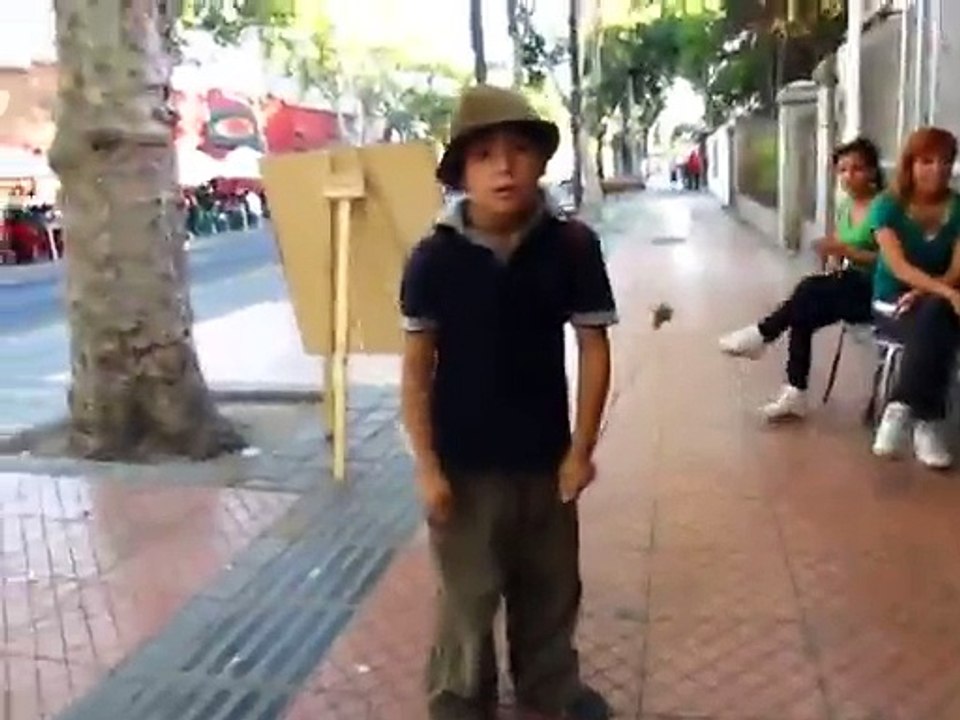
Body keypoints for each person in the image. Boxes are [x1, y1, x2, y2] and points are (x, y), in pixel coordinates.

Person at [399, 84, 617, 720]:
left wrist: (581, 451)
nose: (504, 166)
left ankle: (550, 686)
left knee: (549, 587)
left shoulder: (572, 246)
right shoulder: (432, 259)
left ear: (541, 163)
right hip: (463, 465)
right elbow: (416, 372)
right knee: (468, 595)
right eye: (485, 153)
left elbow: (594, 349)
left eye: (519, 150)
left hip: (545, 458)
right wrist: (427, 467)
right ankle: (461, 697)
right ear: (462, 171)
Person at [718, 137, 885, 420]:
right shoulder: (846, 207)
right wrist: (833, 257)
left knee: (807, 290)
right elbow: (840, 247)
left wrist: (845, 251)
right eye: (842, 170)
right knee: (802, 313)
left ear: (872, 172)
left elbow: (890, 260)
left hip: (877, 289)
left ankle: (763, 334)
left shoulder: (883, 207)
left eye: (857, 169)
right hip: (850, 284)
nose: (848, 176)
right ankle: (794, 390)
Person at [868, 127, 960, 468]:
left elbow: (956, 269)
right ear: (910, 163)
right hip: (892, 300)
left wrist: (930, 291)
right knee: (938, 319)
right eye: (927, 161)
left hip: (938, 300)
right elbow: (898, 267)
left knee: (934, 314)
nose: (937, 169)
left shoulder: (958, 207)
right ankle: (928, 424)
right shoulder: (887, 206)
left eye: (946, 161)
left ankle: (901, 407)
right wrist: (946, 292)